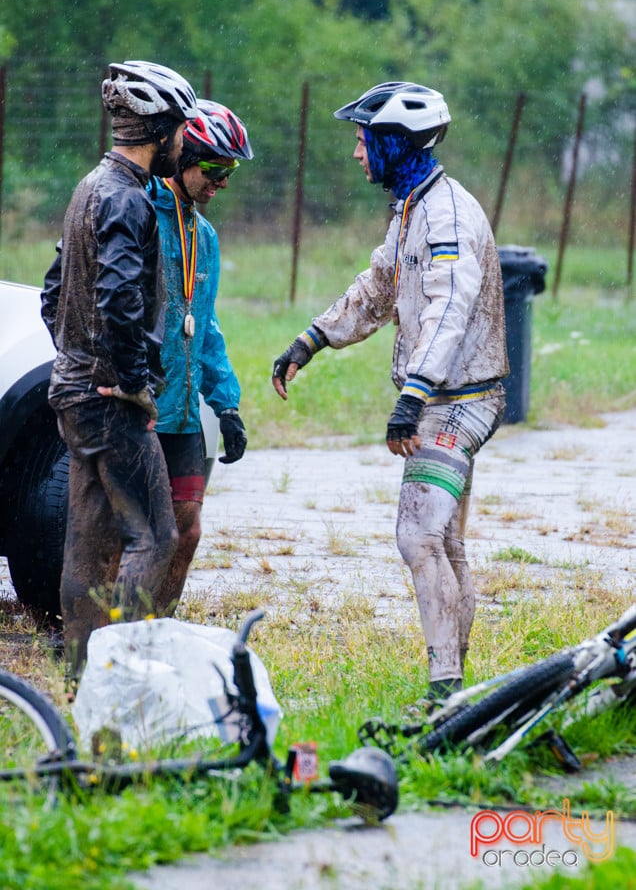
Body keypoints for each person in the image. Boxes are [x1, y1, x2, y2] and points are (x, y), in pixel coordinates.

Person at [272, 82, 509, 700]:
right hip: (444, 394)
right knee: (443, 536)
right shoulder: (412, 207)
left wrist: (412, 396)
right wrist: (312, 339)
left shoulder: (447, 218)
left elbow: (448, 310)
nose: (356, 154)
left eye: (362, 140)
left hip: (459, 401)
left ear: (396, 144)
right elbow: (380, 285)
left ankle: (442, 690)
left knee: (418, 535)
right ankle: (453, 682)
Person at [41, 60, 198, 681]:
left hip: (75, 391)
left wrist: (77, 358)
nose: (185, 141)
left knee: (88, 540)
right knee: (155, 537)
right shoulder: (129, 198)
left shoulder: (89, 186)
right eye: (181, 130)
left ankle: (82, 675)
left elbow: (54, 292)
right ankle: (125, 674)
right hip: (110, 398)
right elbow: (118, 297)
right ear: (161, 131)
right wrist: (131, 377)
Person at [148, 100, 252, 612]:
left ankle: (159, 628)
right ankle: (110, 636)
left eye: (229, 171)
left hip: (185, 414)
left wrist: (226, 404)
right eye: (215, 168)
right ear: (184, 152)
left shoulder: (205, 235)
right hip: (139, 407)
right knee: (141, 536)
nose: (222, 183)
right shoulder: (142, 209)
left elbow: (205, 325)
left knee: (186, 535)